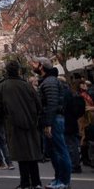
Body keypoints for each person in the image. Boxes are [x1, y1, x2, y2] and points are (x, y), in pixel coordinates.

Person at [0, 59, 43, 189]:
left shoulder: (2, 87)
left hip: (13, 124)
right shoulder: (27, 85)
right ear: (18, 71)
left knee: (22, 155)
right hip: (30, 123)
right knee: (31, 153)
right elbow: (39, 105)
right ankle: (36, 182)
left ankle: (25, 183)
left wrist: (3, 117)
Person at [32, 57, 71, 189]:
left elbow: (52, 103)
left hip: (53, 120)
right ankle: (58, 179)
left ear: (41, 66)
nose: (32, 66)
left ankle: (64, 181)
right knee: (54, 151)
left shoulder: (49, 82)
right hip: (51, 119)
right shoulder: (47, 81)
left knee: (60, 150)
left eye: (34, 63)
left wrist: (48, 123)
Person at [63, 79, 85, 174]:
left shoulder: (68, 95)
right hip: (73, 122)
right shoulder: (75, 95)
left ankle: (75, 165)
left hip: (68, 122)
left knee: (71, 145)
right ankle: (75, 164)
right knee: (73, 144)